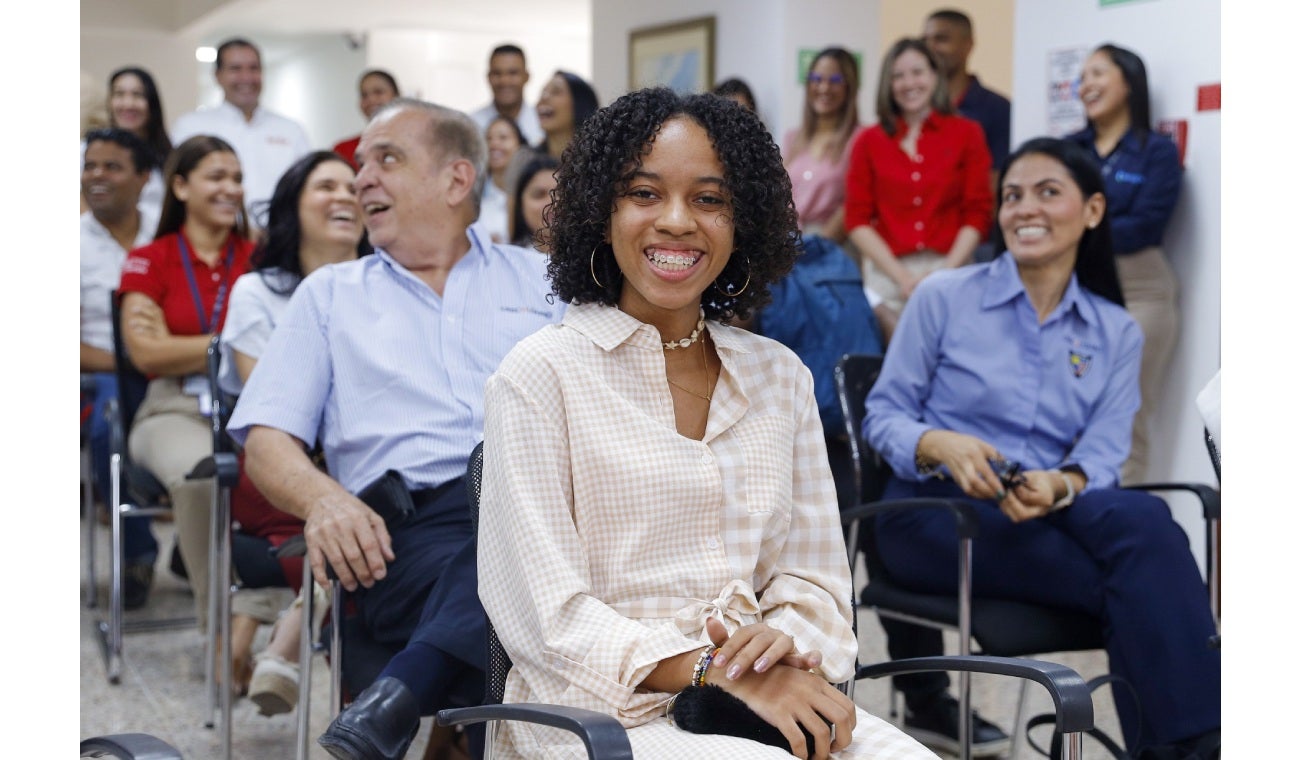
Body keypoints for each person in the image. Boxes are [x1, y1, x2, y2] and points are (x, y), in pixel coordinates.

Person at [477, 86, 936, 760]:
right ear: (601, 214)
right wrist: (709, 667)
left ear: (740, 223)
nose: (676, 221)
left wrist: (779, 645)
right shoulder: (539, 375)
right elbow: (545, 618)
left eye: (709, 199)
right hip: (596, 710)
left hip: (762, 694)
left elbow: (816, 583)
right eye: (644, 193)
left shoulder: (780, 376)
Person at [228, 98, 564, 760]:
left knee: (531, 556)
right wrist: (324, 501)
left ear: (456, 179)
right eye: (360, 165)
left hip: (546, 507)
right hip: (404, 536)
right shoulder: (330, 295)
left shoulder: (545, 282)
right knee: (527, 592)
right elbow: (266, 440)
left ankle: (403, 693)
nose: (361, 180)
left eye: (387, 159)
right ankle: (431, 706)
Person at [863, 136, 1219, 759]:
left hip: (1041, 505)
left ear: (1093, 210)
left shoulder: (1115, 330)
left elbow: (1102, 454)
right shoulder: (944, 297)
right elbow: (882, 415)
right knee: (1141, 575)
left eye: (1048, 192)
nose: (1025, 208)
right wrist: (938, 443)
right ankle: (1201, 747)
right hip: (932, 513)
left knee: (1140, 521)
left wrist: (1060, 484)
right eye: (1012, 196)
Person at [217, 150, 371, 715]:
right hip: (284, 465)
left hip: (363, 459)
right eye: (326, 186)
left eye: (354, 187)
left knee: (398, 507)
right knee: (379, 521)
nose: (344, 196)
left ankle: (293, 635)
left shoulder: (389, 287)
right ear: (293, 206)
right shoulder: (257, 291)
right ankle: (374, 709)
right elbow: (272, 405)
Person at [117, 135, 276, 677]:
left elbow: (290, 341)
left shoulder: (260, 257)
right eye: (216, 177)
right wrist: (236, 341)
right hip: (172, 408)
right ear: (181, 186)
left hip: (252, 404)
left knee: (297, 476)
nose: (231, 189)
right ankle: (219, 634)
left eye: (237, 178)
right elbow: (145, 352)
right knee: (203, 477)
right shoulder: (150, 259)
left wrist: (186, 343)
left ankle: (262, 625)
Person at [1065, 43, 1183, 486]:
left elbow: (1146, 226)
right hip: (1076, 291)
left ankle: (1125, 510)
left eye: (1098, 73)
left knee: (1128, 415)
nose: (1086, 85)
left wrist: (1076, 229)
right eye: (1082, 77)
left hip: (1140, 292)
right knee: (1068, 412)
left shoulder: (1156, 151)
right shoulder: (1067, 151)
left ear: (1129, 82)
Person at [843, 38, 993, 320]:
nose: (909, 83)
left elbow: (977, 212)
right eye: (898, 76)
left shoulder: (967, 134)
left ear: (935, 75)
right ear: (888, 83)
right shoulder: (868, 141)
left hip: (952, 268)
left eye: (917, 72)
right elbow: (857, 219)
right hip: (888, 274)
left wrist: (944, 273)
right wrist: (902, 277)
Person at [80, 127, 160, 609]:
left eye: (112, 166)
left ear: (143, 177)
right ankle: (137, 553)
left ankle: (201, 544)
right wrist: (135, 360)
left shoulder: (166, 233)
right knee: (110, 425)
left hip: (169, 366)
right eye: (90, 166)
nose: (97, 176)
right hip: (100, 373)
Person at [171, 37, 312, 227]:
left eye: (254, 68)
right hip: (214, 235)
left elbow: (306, 187)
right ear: (218, 75)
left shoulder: (291, 130)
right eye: (235, 69)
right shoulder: (191, 126)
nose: (246, 77)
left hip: (279, 236)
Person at [784, 47, 865, 245]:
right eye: (816, 79)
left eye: (835, 80)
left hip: (834, 246)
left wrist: (818, 247)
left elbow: (853, 202)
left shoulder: (860, 138)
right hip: (787, 243)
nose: (824, 88)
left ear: (849, 87)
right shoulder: (792, 138)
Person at [922, 9, 1011, 176]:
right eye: (925, 40)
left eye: (941, 39)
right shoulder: (914, 108)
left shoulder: (998, 109)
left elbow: (997, 180)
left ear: (968, 45)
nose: (930, 48)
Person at [95, 67, 172, 219]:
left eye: (137, 95)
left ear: (151, 103)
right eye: (119, 94)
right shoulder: (90, 150)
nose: (128, 104)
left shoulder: (169, 154)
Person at [470, 44, 544, 145]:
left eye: (513, 73)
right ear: (488, 77)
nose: (504, 81)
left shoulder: (544, 124)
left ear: (527, 77)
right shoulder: (472, 125)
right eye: (497, 73)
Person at [332, 69, 401, 171]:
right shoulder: (342, 150)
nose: (371, 100)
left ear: (396, 96)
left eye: (378, 92)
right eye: (364, 95)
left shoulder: (414, 144)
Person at [479, 115, 527, 244]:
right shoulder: (474, 193)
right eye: (488, 139)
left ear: (520, 144)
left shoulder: (532, 192)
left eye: (503, 137)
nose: (494, 144)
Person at [533, 70, 599, 159]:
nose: (544, 97)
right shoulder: (526, 159)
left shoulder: (598, 158)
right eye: (543, 93)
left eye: (556, 92)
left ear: (579, 103)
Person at [508, 152, 558, 253]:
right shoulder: (508, 259)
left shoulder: (590, 257)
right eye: (539, 195)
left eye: (561, 193)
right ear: (520, 205)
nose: (552, 202)